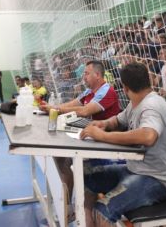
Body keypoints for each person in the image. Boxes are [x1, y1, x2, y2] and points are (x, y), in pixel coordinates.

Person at [80, 62, 166, 227]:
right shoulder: (137, 101)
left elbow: (148, 136)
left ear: (125, 88)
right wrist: (104, 124)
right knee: (88, 179)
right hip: (135, 169)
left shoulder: (151, 105)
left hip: (158, 179)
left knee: (102, 209)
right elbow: (119, 120)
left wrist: (103, 135)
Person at [40, 60, 121, 216]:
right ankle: (66, 207)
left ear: (97, 75)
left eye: (86, 73)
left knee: (66, 160)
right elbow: (72, 103)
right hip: (90, 139)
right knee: (60, 158)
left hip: (106, 145)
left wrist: (55, 109)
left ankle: (75, 209)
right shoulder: (88, 92)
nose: (83, 77)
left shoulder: (107, 91)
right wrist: (54, 108)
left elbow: (84, 111)